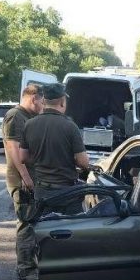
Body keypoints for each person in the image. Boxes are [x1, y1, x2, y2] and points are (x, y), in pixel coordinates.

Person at [20, 83, 91, 219]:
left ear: (44, 101)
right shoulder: (70, 126)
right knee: (70, 231)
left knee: (45, 230)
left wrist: (41, 158)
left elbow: (23, 157)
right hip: (66, 193)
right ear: (62, 101)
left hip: (42, 191)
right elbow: (83, 162)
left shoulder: (29, 124)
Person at [2, 83, 43, 280]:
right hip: (21, 180)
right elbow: (13, 149)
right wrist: (26, 177)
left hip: (31, 178)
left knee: (34, 221)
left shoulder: (29, 117)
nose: (43, 105)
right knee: (26, 223)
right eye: (42, 101)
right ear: (34, 98)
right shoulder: (15, 116)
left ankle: (32, 263)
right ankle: (25, 268)